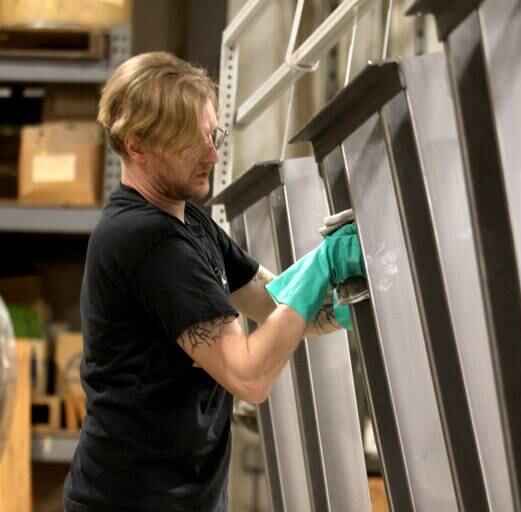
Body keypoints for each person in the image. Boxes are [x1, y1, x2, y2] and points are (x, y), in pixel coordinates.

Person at [63, 52, 364, 512]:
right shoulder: (148, 242)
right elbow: (249, 375)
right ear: (136, 145)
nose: (212, 155)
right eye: (190, 145)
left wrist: (349, 298)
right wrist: (323, 267)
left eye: (211, 135)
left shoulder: (190, 224)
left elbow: (271, 301)